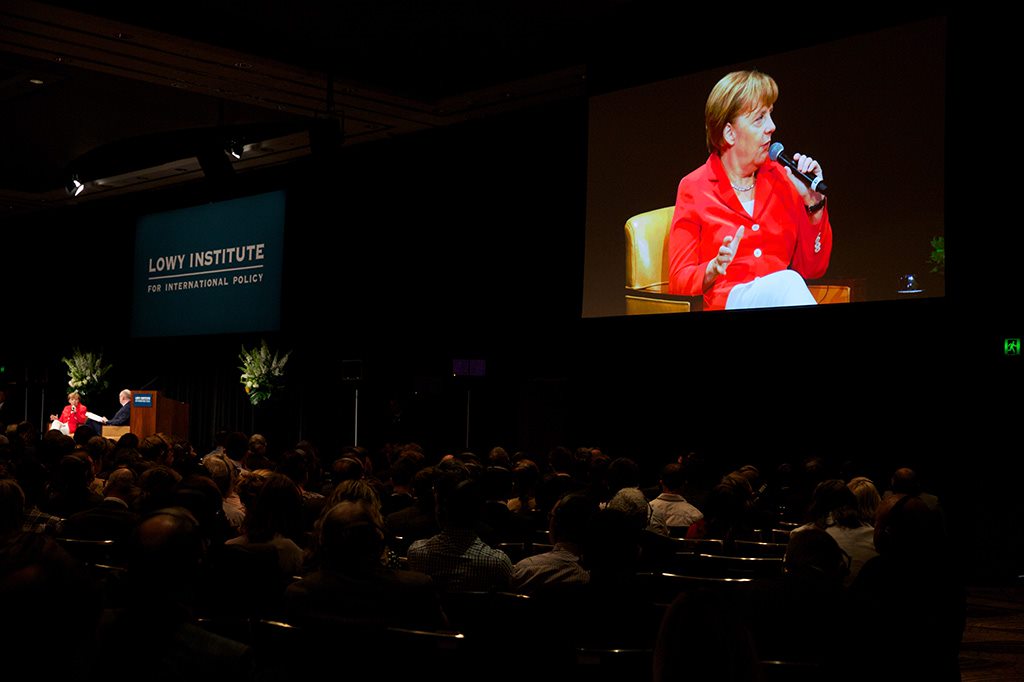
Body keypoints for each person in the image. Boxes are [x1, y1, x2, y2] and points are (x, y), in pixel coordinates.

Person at [668, 69, 832, 310]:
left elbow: (813, 269)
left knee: (788, 283)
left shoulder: (783, 179)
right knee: (788, 283)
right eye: (760, 118)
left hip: (781, 299)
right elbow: (678, 280)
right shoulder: (694, 187)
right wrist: (712, 268)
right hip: (729, 302)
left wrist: (813, 203)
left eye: (771, 115)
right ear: (729, 133)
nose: (772, 127)